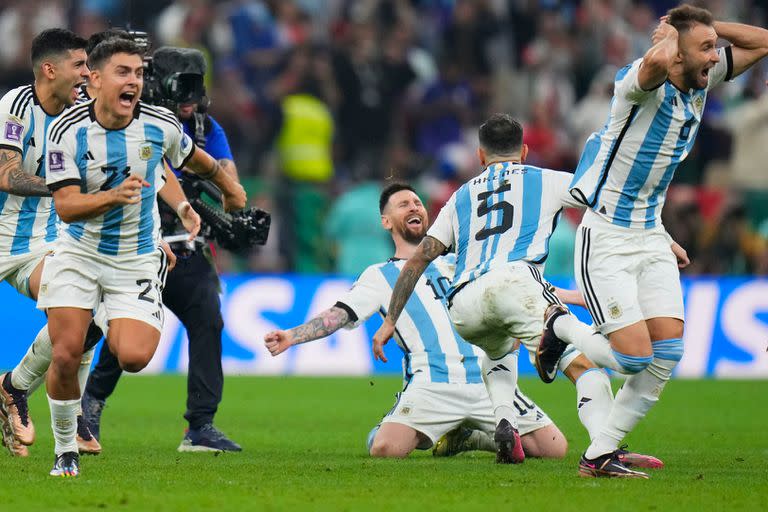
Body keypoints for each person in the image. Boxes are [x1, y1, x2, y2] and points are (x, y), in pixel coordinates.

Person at [537, 4, 768, 478]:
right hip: (605, 236)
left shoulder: (699, 78)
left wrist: (706, 31)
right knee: (632, 358)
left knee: (666, 355)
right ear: (676, 54)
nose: (714, 57)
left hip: (650, 235)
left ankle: (598, 455)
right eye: (704, 50)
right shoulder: (637, 86)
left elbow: (761, 42)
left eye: (713, 49)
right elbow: (656, 65)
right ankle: (560, 328)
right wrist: (669, 40)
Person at [372, 114, 667, 467]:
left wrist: (391, 319)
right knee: (587, 367)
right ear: (524, 151)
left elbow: (417, 260)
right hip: (516, 282)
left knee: (497, 353)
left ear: (480, 156)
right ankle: (602, 448)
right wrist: (662, 239)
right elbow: (612, 207)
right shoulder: (547, 180)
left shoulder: (460, 197)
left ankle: (504, 423)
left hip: (464, 305)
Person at [38, 37, 245, 477]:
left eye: (138, 73)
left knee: (133, 355)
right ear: (94, 81)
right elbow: (66, 205)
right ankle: (65, 449)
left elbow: (188, 162)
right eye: (123, 72)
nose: (134, 81)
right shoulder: (65, 130)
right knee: (65, 354)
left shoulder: (160, 124)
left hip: (135, 258)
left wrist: (226, 190)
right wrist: (114, 197)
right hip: (79, 251)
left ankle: (112, 317)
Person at [0, 29, 201, 459]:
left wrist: (154, 235)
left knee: (80, 318)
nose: (86, 74)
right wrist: (67, 189)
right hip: (10, 237)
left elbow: (147, 168)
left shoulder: (90, 111)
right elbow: (6, 174)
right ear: (50, 70)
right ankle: (16, 387)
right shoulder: (17, 106)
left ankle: (27, 395)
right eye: (79, 66)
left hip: (58, 234)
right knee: (76, 318)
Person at [265, 183, 568, 460]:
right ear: (387, 222)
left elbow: (515, 291)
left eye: (417, 202)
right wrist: (293, 336)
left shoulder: (464, 262)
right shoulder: (379, 275)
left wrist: (574, 298)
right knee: (385, 449)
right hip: (432, 386)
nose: (413, 207)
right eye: (403, 204)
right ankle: (423, 427)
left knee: (554, 448)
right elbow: (339, 314)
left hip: (488, 382)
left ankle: (471, 438)